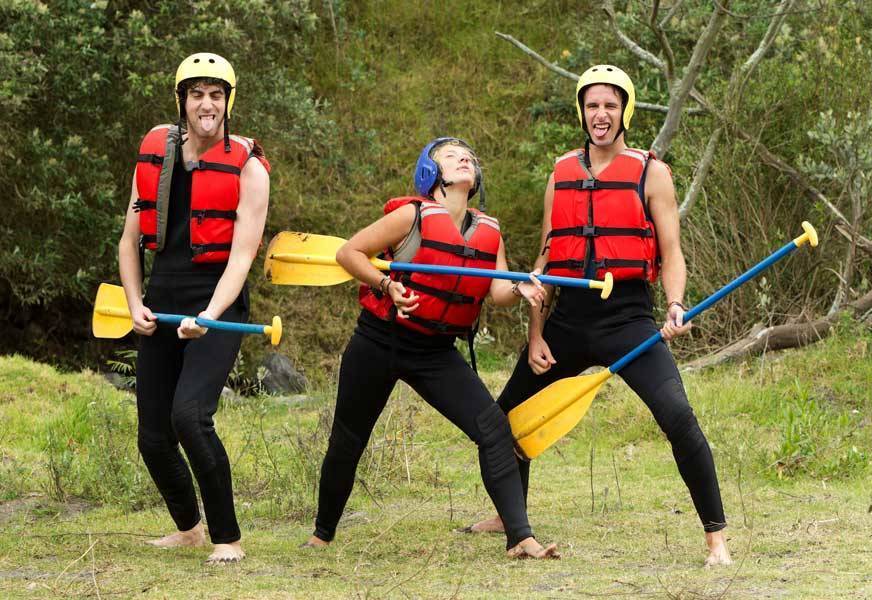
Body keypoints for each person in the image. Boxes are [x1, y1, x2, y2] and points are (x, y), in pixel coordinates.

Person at [465, 65, 733, 567]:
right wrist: (536, 334)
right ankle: (510, 512)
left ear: (625, 111)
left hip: (628, 317)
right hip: (567, 319)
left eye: (610, 105)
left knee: (676, 415)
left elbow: (672, 252)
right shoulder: (561, 171)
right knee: (504, 421)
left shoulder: (651, 172)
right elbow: (546, 262)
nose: (601, 115)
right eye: (592, 106)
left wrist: (675, 304)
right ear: (582, 112)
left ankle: (715, 534)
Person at [304, 137, 558, 558]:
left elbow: (496, 292)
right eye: (451, 155)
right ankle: (322, 533)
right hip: (378, 340)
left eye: (469, 157)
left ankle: (520, 538)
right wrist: (387, 284)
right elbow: (349, 253)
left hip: (434, 351)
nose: (464, 159)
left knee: (494, 429)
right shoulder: (412, 215)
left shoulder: (488, 231)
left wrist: (522, 289)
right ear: (430, 172)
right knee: (349, 439)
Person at [117, 52, 270, 565]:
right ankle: (189, 529)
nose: (207, 104)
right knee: (153, 436)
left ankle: (228, 538)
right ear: (181, 100)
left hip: (217, 300)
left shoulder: (249, 167)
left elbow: (243, 255)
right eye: (197, 93)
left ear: (229, 103)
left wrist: (208, 314)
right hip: (160, 299)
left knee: (190, 417)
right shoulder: (156, 154)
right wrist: (135, 302)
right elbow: (129, 241)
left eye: (217, 95)